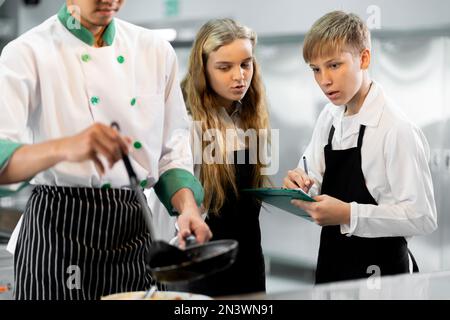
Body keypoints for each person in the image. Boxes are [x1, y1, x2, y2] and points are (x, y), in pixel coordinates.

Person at [0, 0, 211, 300]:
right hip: (58, 230)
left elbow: (170, 153)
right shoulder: (27, 52)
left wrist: (188, 209)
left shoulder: (154, 51)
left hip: (135, 228)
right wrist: (64, 147)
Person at [283, 11, 437, 284]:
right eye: (315, 69)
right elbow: (312, 174)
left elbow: (422, 217)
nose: (324, 80)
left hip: (384, 276)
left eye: (334, 65)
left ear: (364, 58)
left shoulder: (396, 129)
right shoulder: (329, 117)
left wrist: (348, 213)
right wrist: (300, 182)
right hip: (333, 266)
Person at [163, 18, 271, 296]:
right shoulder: (185, 122)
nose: (239, 76)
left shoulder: (249, 116)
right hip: (201, 263)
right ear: (203, 70)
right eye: (224, 68)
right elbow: (171, 202)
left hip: (248, 262)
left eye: (246, 64)